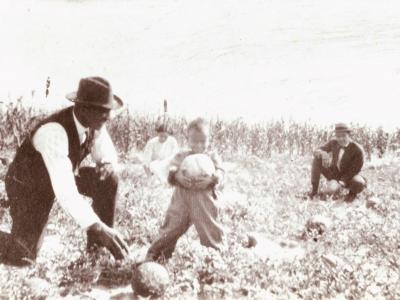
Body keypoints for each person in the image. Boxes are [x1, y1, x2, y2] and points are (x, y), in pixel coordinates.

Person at [1, 76, 129, 266]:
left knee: (109, 177)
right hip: (29, 187)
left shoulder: (94, 124)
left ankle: (96, 253)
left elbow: (107, 154)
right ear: (84, 108)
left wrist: (107, 164)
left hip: (62, 177)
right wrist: (98, 227)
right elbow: (65, 191)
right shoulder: (53, 132)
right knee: (24, 255)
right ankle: (101, 237)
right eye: (104, 111)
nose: (109, 116)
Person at [146, 118, 225, 262]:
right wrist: (177, 176)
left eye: (203, 141)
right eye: (194, 141)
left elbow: (220, 172)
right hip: (181, 198)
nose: (199, 145)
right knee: (171, 227)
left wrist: (212, 180)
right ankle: (157, 254)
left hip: (203, 200)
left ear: (209, 140)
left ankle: (215, 259)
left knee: (209, 228)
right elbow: (171, 171)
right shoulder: (181, 156)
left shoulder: (212, 156)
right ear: (187, 139)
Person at [310, 123, 367, 202]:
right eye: (338, 136)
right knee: (317, 159)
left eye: (343, 136)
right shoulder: (333, 143)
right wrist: (323, 153)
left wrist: (340, 183)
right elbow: (316, 151)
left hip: (350, 177)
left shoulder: (357, 150)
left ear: (349, 135)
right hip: (334, 174)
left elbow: (354, 170)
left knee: (359, 182)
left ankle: (351, 195)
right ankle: (314, 192)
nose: (340, 139)